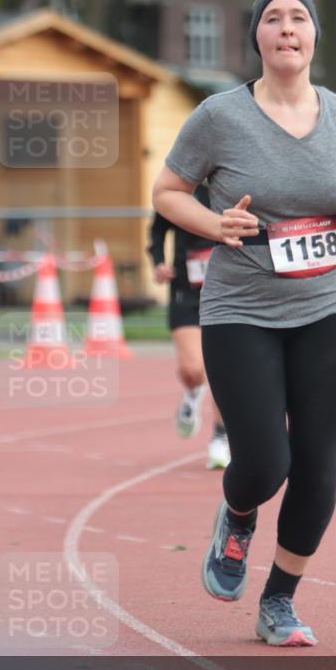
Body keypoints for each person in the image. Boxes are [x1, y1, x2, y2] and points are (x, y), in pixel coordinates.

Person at [152, 0, 336, 647]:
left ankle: (279, 602)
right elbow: (167, 191)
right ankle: (237, 515)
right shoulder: (219, 117)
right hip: (241, 311)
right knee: (264, 461)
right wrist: (213, 221)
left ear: (313, 35)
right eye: (272, 19)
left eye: (298, 19)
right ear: (256, 36)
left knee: (318, 464)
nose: (287, 28)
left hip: (327, 308)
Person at [147, 186, 230, 470]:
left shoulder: (234, 181)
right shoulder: (181, 188)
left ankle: (220, 437)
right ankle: (193, 391)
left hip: (228, 292)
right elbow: (158, 230)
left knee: (222, 370)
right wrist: (158, 262)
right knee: (193, 369)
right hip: (187, 292)